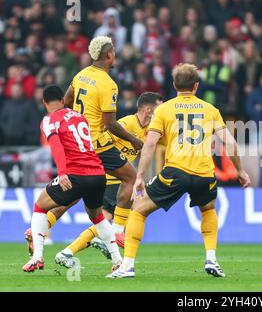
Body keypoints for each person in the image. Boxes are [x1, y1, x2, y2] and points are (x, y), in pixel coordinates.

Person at [106, 63, 251, 279]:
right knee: (209, 210)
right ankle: (211, 258)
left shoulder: (164, 109)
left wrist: (139, 176)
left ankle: (128, 266)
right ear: (196, 86)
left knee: (138, 209)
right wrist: (240, 170)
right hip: (204, 173)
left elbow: (150, 144)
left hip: (176, 171)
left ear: (174, 85)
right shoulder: (210, 110)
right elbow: (230, 143)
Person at [24, 92, 163, 267]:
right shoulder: (126, 124)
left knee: (75, 205)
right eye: (160, 106)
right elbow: (99, 142)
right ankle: (110, 238)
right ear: (149, 109)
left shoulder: (150, 130)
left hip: (96, 174)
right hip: (103, 174)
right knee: (98, 214)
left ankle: (53, 241)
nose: (162, 111)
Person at [22, 85, 122, 272]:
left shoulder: (49, 120)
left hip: (76, 174)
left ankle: (37, 257)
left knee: (39, 206)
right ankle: (118, 261)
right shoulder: (78, 115)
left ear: (44, 102)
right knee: (98, 217)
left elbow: (56, 147)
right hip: (98, 174)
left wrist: (62, 173)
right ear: (62, 100)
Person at [64, 36, 143, 242]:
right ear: (109, 55)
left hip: (78, 142)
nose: (115, 54)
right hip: (97, 143)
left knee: (73, 190)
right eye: (114, 51)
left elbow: (66, 101)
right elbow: (110, 124)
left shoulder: (81, 74)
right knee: (131, 178)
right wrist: (133, 139)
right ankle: (117, 230)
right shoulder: (108, 84)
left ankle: (41, 225)